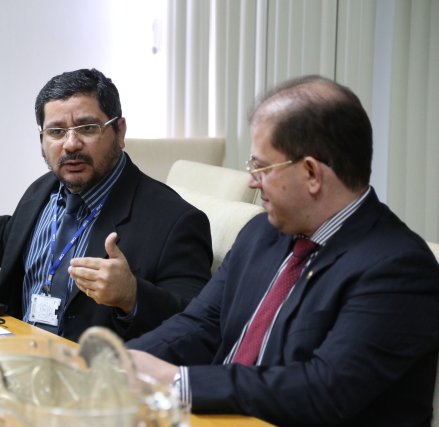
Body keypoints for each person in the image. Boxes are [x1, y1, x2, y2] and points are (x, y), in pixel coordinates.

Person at [127, 75, 439, 426]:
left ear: (311, 173)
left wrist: (179, 383)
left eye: (261, 167)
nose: (251, 181)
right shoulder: (261, 232)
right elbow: (202, 324)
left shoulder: (399, 268)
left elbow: (324, 389)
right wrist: (119, 364)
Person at [0, 68, 213, 342]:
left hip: (92, 382)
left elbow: (199, 326)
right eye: (56, 132)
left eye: (87, 128)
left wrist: (132, 296)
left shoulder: (175, 221)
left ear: (119, 131)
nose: (70, 144)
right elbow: (5, 238)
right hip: (14, 355)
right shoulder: (46, 189)